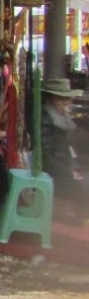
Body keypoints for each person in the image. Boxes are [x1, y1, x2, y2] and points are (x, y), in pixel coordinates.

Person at [40, 77, 89, 218]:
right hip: (58, 171)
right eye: (63, 99)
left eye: (68, 99)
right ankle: (80, 217)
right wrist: (69, 172)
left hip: (68, 163)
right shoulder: (47, 120)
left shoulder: (62, 118)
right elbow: (46, 156)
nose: (68, 103)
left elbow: (79, 137)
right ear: (51, 99)